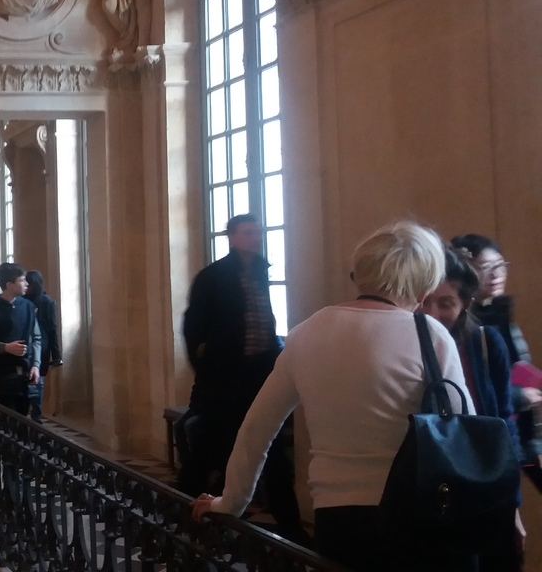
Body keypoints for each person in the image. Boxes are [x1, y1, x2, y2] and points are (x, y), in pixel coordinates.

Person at [192, 221, 478, 572]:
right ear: (423, 284)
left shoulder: (306, 333)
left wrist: (230, 503)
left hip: (338, 518)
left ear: (358, 273)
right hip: (420, 513)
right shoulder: (429, 334)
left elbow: (256, 430)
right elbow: (466, 432)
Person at [178, 214, 303, 543]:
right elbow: (193, 329)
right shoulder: (213, 276)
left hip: (260, 376)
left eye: (257, 232)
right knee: (209, 452)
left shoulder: (261, 272)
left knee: (271, 451)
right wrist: (207, 372)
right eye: (248, 233)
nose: (255, 238)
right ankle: (181, 514)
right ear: (232, 238)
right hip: (225, 381)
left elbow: (262, 319)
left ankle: (292, 531)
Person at [421, 246, 523, 570]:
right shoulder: (404, 347)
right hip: (426, 496)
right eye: (424, 301)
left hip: (483, 491)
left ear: (464, 304)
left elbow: (504, 424)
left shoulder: (484, 343)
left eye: (445, 303)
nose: (432, 313)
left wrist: (513, 506)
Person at [451, 232, 542, 491]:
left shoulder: (501, 314)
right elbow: (466, 385)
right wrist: (519, 395)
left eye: (501, 265)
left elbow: (518, 369)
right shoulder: (459, 323)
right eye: (486, 267)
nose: (496, 274)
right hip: (488, 434)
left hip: (519, 428)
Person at [0, 263, 41, 416]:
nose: (27, 284)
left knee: (22, 415)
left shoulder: (29, 307)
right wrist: (5, 347)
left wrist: (36, 365)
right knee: (2, 416)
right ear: (9, 285)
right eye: (22, 280)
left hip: (24, 371)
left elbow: (36, 337)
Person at [24, 270, 61, 423]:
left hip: (42, 348)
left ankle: (36, 414)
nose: (27, 288)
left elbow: (52, 329)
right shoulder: (22, 301)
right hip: (24, 347)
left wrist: (56, 354)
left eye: (30, 285)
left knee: (38, 383)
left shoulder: (47, 303)